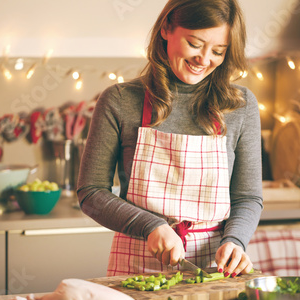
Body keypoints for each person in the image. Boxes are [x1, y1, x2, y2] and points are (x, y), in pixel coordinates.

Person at [77, 0, 263, 278]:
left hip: (215, 267)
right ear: (166, 28)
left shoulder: (240, 105)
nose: (204, 59)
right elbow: (91, 192)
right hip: (136, 265)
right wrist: (151, 226)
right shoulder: (120, 100)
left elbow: (247, 197)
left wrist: (235, 240)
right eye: (195, 43)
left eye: (218, 51)